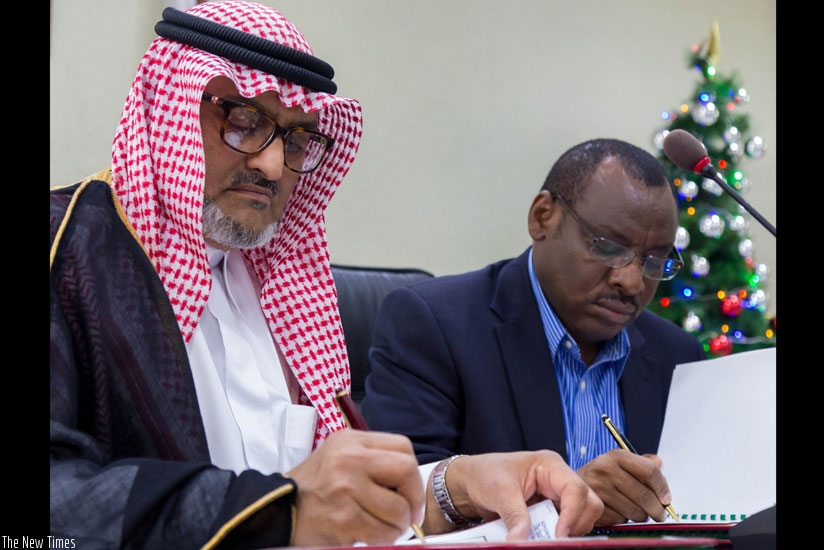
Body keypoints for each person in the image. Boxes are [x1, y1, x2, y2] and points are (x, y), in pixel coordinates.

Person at [49, 2, 603, 548]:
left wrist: (454, 487)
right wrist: (278, 512)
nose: (271, 167)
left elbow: (326, 502)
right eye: (244, 120)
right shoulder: (66, 250)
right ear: (168, 106)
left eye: (294, 140)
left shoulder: (283, 280)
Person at [360, 137, 708, 527]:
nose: (630, 281)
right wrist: (560, 502)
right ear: (543, 217)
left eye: (653, 260)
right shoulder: (435, 324)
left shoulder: (676, 354)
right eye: (609, 248)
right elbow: (392, 505)